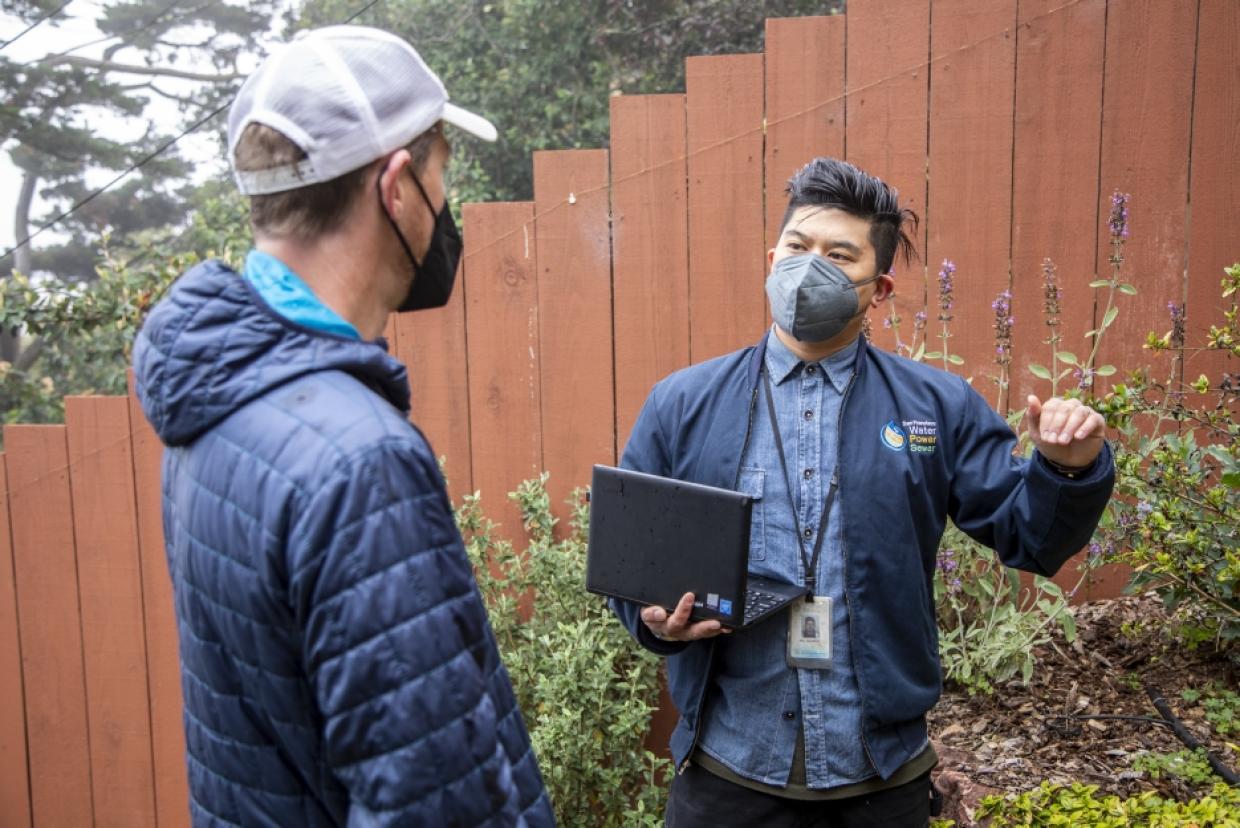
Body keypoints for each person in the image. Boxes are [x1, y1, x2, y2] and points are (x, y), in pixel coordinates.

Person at [610, 157, 1114, 827]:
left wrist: (1067, 468)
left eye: (838, 255)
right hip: (726, 777)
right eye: (798, 247)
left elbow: (1031, 535)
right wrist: (656, 623)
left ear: (878, 289)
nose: (809, 267)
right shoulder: (683, 405)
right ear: (772, 258)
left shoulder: (937, 407)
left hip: (881, 782)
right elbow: (631, 570)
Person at [133, 26, 553, 827]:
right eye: (440, 175)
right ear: (396, 187)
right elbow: (436, 809)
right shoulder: (358, 461)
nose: (444, 207)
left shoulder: (217, 405)